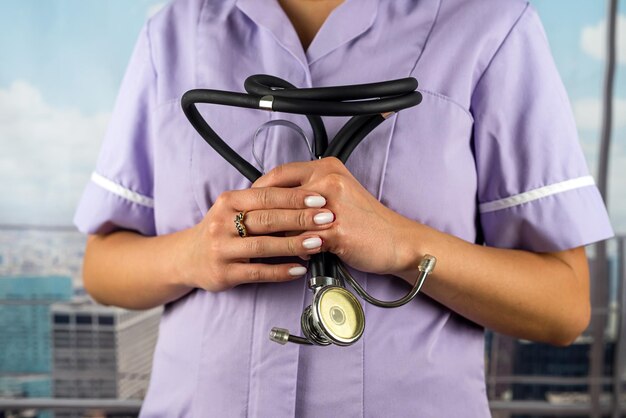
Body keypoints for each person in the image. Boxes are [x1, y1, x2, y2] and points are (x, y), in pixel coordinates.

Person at [74, 0, 614, 416]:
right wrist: (190, 256)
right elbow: (102, 268)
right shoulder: (174, 30)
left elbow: (563, 307)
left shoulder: (490, 24)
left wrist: (403, 244)